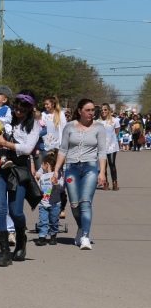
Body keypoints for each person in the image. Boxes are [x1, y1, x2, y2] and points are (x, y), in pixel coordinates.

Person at [0, 89, 41, 267]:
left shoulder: (34, 125)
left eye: (25, 107)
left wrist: (6, 144)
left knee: (15, 211)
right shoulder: (6, 117)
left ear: (30, 108)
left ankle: (21, 238)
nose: (19, 110)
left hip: (18, 168)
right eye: (18, 105)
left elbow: (28, 148)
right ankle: (4, 252)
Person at [53, 99, 107, 251]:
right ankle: (80, 227)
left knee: (85, 202)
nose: (91, 113)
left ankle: (85, 236)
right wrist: (57, 169)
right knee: (74, 204)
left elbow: (102, 152)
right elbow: (63, 149)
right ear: (80, 111)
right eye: (88, 110)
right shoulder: (69, 127)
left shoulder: (99, 128)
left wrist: (102, 172)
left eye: (93, 110)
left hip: (90, 167)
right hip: (71, 168)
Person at [34, 153, 63, 246]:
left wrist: (56, 183)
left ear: (47, 164)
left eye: (42, 165)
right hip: (43, 204)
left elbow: (61, 187)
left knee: (54, 221)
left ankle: (53, 235)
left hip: (55, 204)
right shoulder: (42, 176)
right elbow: (39, 189)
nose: (42, 167)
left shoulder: (57, 175)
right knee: (43, 220)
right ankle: (42, 237)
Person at [97, 104, 120, 190]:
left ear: (109, 111)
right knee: (103, 166)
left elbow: (117, 131)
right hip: (101, 146)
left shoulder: (114, 121)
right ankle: (105, 182)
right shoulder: (97, 122)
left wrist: (112, 139)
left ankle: (115, 182)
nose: (103, 111)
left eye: (105, 109)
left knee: (112, 164)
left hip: (112, 145)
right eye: (102, 110)